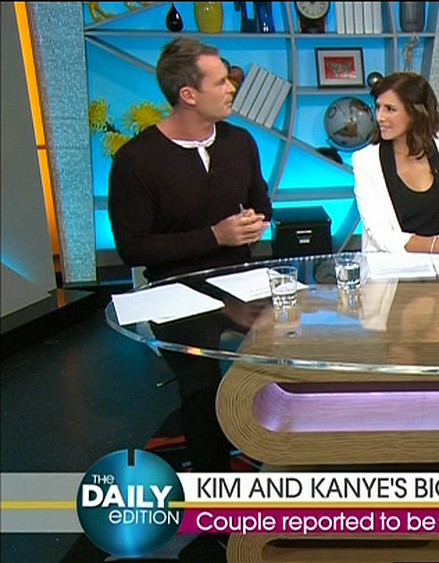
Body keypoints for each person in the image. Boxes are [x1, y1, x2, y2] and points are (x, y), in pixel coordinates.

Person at [108, 37, 272, 471]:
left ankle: (287, 459)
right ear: (188, 94)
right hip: (175, 290)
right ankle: (214, 488)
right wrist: (215, 236)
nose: (232, 88)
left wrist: (254, 223)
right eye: (221, 82)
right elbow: (133, 248)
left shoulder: (241, 143)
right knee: (202, 387)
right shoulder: (136, 161)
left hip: (242, 280)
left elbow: (263, 205)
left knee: (300, 350)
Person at [353, 72, 439, 257]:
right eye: (378, 107)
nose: (380, 117)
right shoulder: (366, 161)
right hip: (396, 262)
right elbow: (381, 234)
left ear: (415, 112)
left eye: (390, 109)